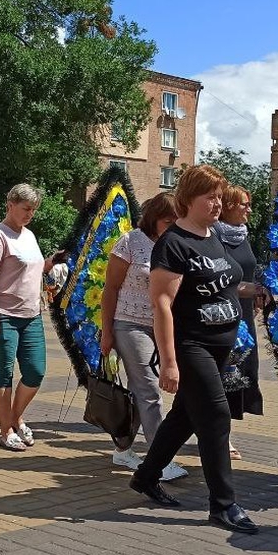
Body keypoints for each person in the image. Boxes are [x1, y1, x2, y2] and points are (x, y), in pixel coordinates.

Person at [129, 165, 258, 535]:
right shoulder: (173, 245)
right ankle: (223, 505)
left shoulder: (212, 235)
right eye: (210, 197)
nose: (218, 204)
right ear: (188, 199)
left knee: (185, 415)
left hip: (221, 348)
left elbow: (226, 283)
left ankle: (146, 476)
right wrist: (169, 363)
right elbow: (162, 305)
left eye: (220, 196)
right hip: (191, 345)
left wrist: (260, 291)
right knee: (216, 418)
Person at [99, 192, 188, 479]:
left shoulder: (177, 245)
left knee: (140, 393)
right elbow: (110, 289)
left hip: (165, 326)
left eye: (178, 220)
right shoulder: (131, 242)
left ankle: (123, 449)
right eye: (167, 220)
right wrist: (107, 332)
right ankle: (159, 461)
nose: (173, 225)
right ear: (154, 218)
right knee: (150, 391)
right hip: (130, 325)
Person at [0, 184, 60, 451]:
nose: (30, 214)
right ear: (10, 205)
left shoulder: (29, 235)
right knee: (3, 374)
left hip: (31, 313)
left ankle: (15, 417)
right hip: (2, 314)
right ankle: (5, 430)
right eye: (26, 209)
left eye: (33, 210)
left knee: (35, 371)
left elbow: (32, 269)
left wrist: (53, 262)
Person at [214, 185, 267, 462]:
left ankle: (213, 429)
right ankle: (220, 436)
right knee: (223, 375)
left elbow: (248, 270)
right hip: (222, 316)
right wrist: (252, 289)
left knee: (238, 375)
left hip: (244, 318)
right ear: (230, 205)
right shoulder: (215, 237)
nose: (249, 209)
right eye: (244, 204)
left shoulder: (243, 235)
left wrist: (258, 294)